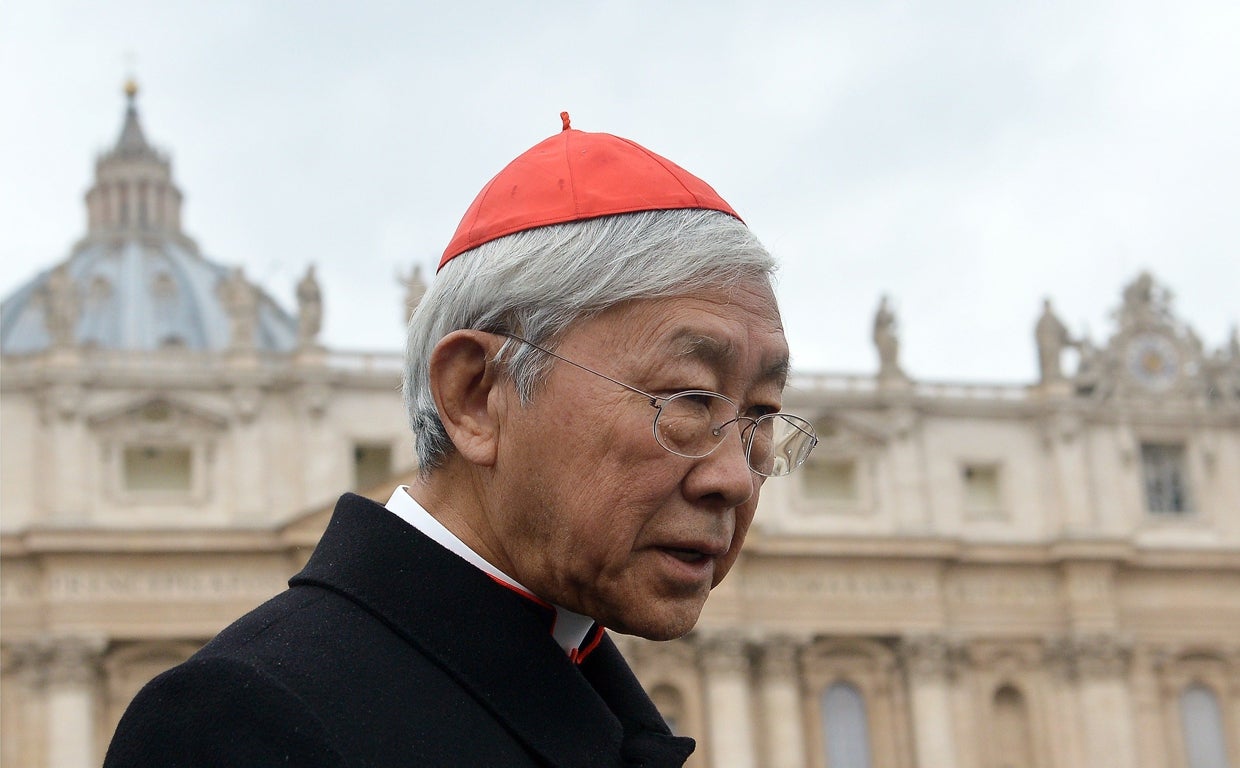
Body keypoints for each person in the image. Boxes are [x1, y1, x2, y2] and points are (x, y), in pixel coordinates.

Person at [104, 113, 818, 767]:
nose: (734, 477)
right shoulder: (240, 725)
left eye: (762, 413)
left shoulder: (591, 683)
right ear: (475, 395)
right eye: (687, 398)